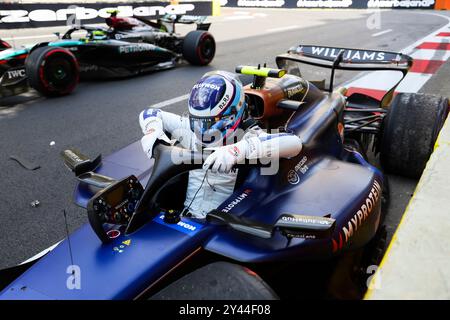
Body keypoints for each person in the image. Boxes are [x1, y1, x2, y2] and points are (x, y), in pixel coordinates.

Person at [139, 70, 302, 219]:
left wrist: (237, 151)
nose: (203, 130)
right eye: (198, 121)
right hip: (183, 217)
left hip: (219, 226)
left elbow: (294, 143)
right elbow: (151, 113)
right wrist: (152, 131)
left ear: (234, 113)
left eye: (213, 123)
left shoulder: (248, 136)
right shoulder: (190, 128)